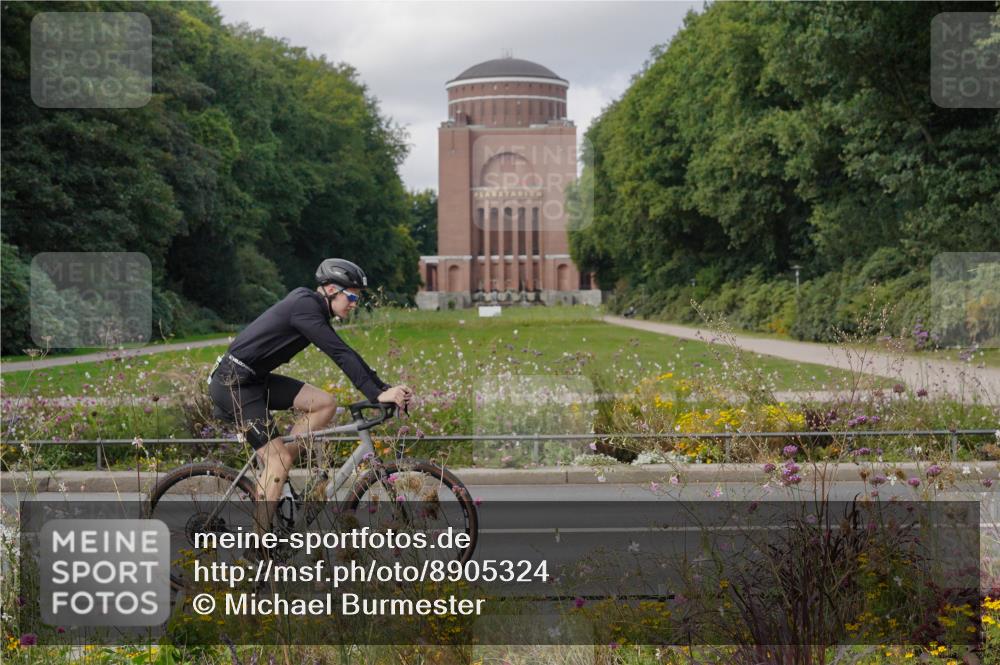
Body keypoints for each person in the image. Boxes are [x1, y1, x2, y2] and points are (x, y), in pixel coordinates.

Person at [208, 258, 412, 531]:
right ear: (331, 290)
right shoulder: (304, 307)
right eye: (352, 297)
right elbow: (339, 353)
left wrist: (383, 389)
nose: (354, 304)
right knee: (279, 461)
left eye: (358, 299)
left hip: (254, 380)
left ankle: (275, 473)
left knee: (324, 404)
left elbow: (345, 351)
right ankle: (258, 545)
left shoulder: (312, 308)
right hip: (233, 385)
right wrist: (376, 394)